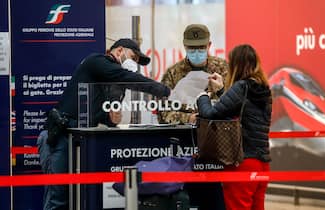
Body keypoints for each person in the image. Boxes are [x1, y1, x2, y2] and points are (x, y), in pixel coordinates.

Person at [37, 38, 171, 210]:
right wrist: (164, 90)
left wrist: (111, 119)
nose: (135, 63)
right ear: (119, 50)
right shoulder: (97, 61)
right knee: (58, 198)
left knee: (76, 199)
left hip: (79, 141)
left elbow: (100, 115)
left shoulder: (112, 82)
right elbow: (127, 77)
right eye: (134, 57)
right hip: (60, 137)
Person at [197, 44, 272, 210]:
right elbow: (239, 108)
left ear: (236, 64)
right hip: (262, 162)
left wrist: (202, 97)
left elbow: (210, 113)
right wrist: (222, 90)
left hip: (243, 162)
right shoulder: (264, 89)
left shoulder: (241, 87)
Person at [159, 24, 228, 124]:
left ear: (209, 45)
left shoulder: (223, 69)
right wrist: (188, 118)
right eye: (192, 48)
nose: (196, 52)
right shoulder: (172, 74)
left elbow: (234, 107)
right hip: (184, 134)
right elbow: (163, 111)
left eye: (201, 48)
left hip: (217, 134)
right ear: (185, 46)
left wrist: (221, 90)